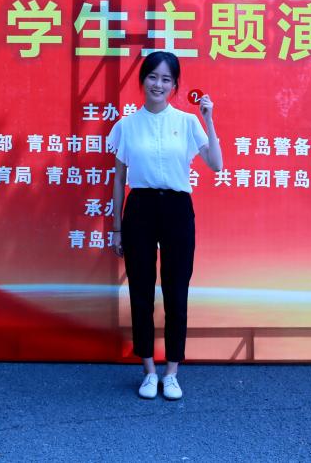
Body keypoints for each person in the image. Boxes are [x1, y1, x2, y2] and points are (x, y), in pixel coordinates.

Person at [105, 51, 223, 400]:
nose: (158, 84)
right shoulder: (126, 126)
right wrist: (116, 227)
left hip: (176, 209)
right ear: (142, 80)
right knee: (140, 291)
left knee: (176, 290)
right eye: (152, 77)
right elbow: (119, 180)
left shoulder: (187, 122)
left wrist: (209, 120)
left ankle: (171, 372)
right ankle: (148, 371)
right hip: (139, 208)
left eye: (166, 79)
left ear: (174, 85)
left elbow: (216, 164)